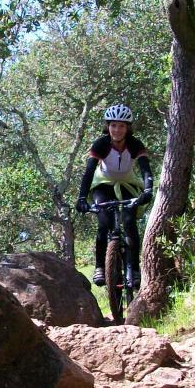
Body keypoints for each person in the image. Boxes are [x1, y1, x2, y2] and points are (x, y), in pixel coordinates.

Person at [75, 103, 154, 288]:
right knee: (103, 223)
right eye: (113, 125)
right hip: (103, 185)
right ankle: (100, 267)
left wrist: (148, 190)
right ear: (107, 126)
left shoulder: (135, 144)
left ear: (128, 128)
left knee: (129, 221)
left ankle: (134, 269)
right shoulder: (101, 144)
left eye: (121, 126)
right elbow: (88, 172)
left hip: (127, 185)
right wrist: (81, 198)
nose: (117, 130)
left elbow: (145, 170)